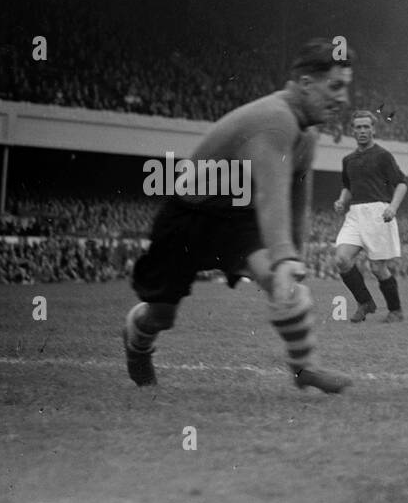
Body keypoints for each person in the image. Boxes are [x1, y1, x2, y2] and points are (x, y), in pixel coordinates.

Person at [121, 39, 352, 392]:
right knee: (161, 315)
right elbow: (270, 192)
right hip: (187, 216)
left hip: (238, 221)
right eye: (335, 86)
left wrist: (294, 260)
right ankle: (136, 342)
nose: (343, 98)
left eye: (346, 88)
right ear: (306, 83)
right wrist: (285, 255)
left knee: (281, 282)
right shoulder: (276, 119)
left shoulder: (306, 132)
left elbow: (296, 199)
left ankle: (304, 368)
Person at [333, 110, 408, 322]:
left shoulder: (383, 156)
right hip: (355, 213)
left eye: (366, 127)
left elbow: (401, 183)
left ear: (373, 129)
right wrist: (341, 200)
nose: (363, 131)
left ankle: (396, 311)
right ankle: (365, 302)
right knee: (341, 259)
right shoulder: (348, 159)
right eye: (358, 127)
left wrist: (393, 207)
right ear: (353, 131)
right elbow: (348, 186)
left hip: (378, 212)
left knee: (378, 268)